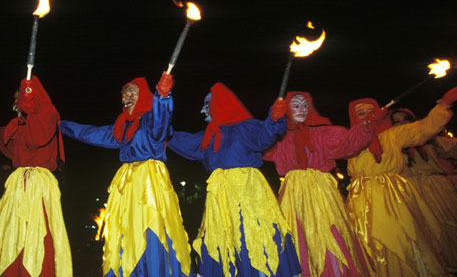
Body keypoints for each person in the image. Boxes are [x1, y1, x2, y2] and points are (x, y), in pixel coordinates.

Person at [60, 72, 191, 277]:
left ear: (144, 96)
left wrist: (163, 97)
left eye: (131, 93)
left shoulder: (151, 120)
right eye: (123, 94)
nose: (125, 98)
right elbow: (91, 133)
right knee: (126, 230)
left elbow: (161, 121)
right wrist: (61, 126)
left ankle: (155, 270)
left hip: (150, 181)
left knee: (151, 227)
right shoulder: (123, 126)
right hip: (127, 183)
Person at [167, 83, 301, 277]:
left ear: (220, 104)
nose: (202, 109)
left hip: (249, 195)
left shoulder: (246, 128)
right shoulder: (206, 138)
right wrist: (158, 121)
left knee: (252, 237)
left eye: (207, 104)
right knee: (221, 239)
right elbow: (173, 138)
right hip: (220, 201)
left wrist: (274, 118)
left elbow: (266, 135)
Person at [345, 87, 457, 277]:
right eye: (360, 114)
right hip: (361, 198)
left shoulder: (393, 135)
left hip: (392, 196)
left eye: (370, 112)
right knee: (368, 242)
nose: (365, 117)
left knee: (401, 237)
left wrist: (443, 105)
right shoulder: (349, 139)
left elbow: (423, 129)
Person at [263, 91, 375, 277]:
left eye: (306, 105)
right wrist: (271, 123)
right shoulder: (279, 137)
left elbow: (349, 144)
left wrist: (364, 125)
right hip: (293, 193)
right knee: (297, 235)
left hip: (322, 191)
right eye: (296, 105)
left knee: (330, 234)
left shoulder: (324, 132)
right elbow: (258, 145)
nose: (302, 109)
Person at [0, 76, 72, 277]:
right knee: (11, 232)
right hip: (17, 186)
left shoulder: (46, 115)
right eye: (16, 99)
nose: (17, 103)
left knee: (37, 232)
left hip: (38, 186)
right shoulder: (18, 125)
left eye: (21, 98)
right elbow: (11, 147)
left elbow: (37, 137)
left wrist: (29, 96)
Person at [391, 108, 457, 269]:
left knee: (449, 224)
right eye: (396, 122)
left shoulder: (429, 138)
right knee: (429, 230)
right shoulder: (393, 143)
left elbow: (451, 147)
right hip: (412, 191)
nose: (401, 124)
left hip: (437, 188)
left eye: (404, 119)